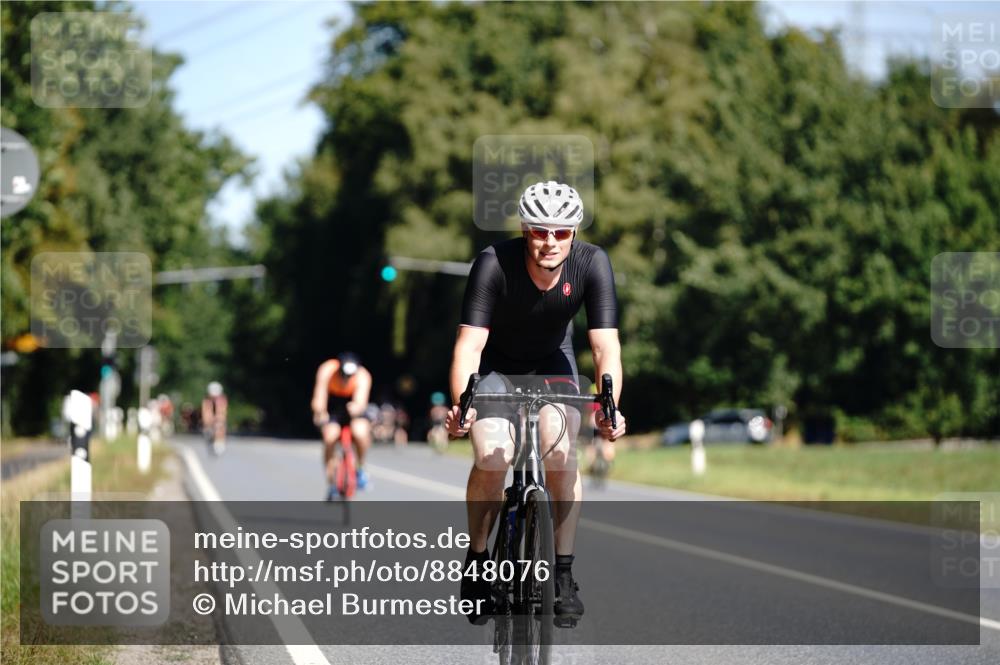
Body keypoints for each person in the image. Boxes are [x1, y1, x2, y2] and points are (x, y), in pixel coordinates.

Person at [445, 181, 627, 624]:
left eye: (562, 232)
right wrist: (464, 405)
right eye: (541, 231)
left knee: (561, 454)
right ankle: (479, 560)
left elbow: (607, 350)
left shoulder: (591, 263)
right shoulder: (493, 264)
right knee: (494, 456)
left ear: (574, 232)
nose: (550, 241)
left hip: (553, 364)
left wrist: (610, 406)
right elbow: (468, 346)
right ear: (525, 229)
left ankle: (562, 575)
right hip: (495, 371)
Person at [311, 352, 373, 500]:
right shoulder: (327, 370)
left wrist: (356, 408)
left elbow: (361, 402)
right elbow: (319, 396)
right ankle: (332, 480)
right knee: (330, 437)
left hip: (353, 408)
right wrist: (320, 413)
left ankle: (360, 468)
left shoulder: (363, 376)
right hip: (333, 408)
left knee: (360, 432)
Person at [202, 382, 227, 455]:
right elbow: (206, 411)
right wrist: (208, 422)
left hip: (218, 416)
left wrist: (219, 420)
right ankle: (210, 437)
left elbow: (222, 411)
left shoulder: (222, 399)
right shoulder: (207, 400)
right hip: (210, 415)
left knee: (220, 425)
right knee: (208, 427)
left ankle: (220, 441)